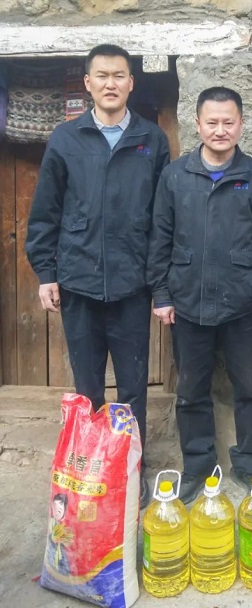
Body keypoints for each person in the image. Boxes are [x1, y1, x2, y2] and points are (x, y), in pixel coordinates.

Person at [25, 44, 170, 509]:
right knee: (87, 388)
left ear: (131, 83)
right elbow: (45, 212)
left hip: (131, 286)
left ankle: (130, 471)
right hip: (79, 283)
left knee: (131, 390)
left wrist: (159, 283)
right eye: (102, 76)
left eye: (119, 75)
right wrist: (47, 272)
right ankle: (88, 474)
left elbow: (162, 218)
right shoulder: (66, 139)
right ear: (87, 83)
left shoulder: (151, 139)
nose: (111, 83)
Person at [146, 86, 252, 504]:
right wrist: (161, 293)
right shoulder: (175, 176)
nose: (220, 130)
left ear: (241, 124)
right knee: (191, 390)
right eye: (212, 122)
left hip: (243, 306)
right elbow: (160, 237)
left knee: (250, 388)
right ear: (198, 124)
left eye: (228, 122)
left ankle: (250, 466)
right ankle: (198, 466)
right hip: (188, 303)